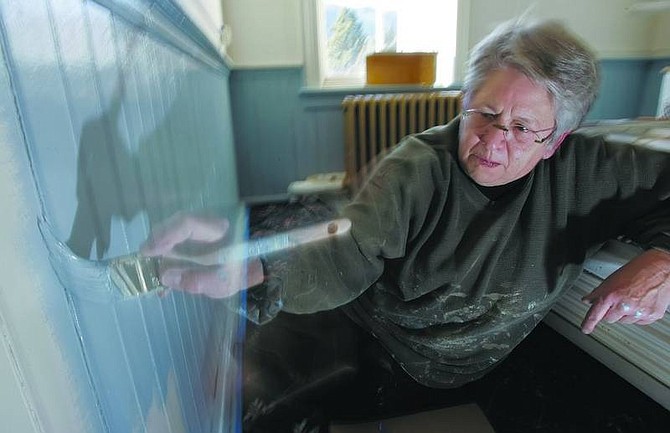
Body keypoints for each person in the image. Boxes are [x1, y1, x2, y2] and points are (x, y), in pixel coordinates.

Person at [141, 18, 670, 391]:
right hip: (376, 345)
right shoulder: (418, 166)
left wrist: (664, 260)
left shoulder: (591, 169)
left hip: (479, 368)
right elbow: (349, 243)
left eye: (523, 128)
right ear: (464, 102)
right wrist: (261, 260)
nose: (492, 140)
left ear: (556, 140)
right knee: (247, 383)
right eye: (483, 113)